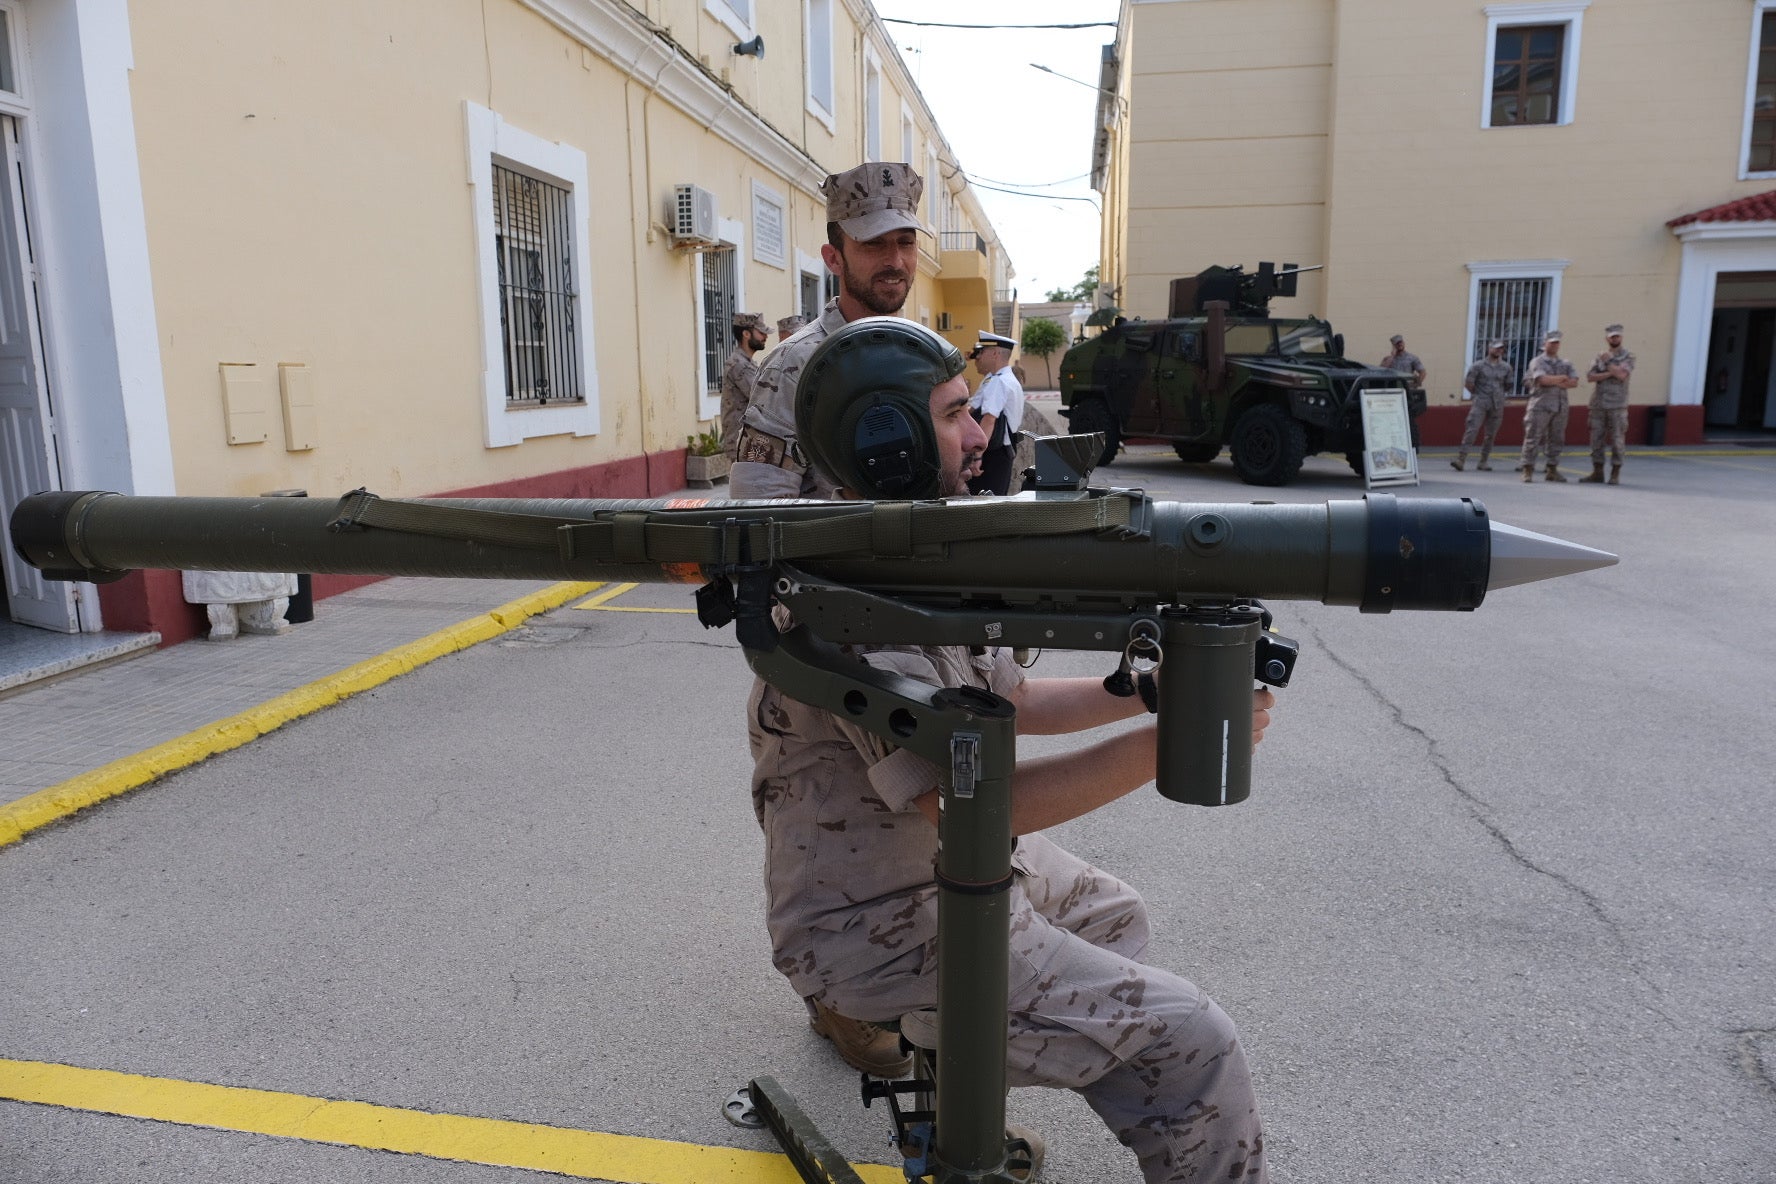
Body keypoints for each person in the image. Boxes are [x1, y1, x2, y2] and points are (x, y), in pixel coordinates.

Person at [747, 315, 1275, 1183]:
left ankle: (967, 1118)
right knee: (1194, 1041)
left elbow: (1013, 700)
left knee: (1114, 914)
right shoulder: (848, 609)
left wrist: (1142, 692)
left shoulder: (912, 547)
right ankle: (998, 1131)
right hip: (872, 925)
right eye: (958, 412)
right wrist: (1160, 743)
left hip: (930, 872)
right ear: (889, 441)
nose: (986, 427)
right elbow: (973, 804)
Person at [731, 161, 927, 500]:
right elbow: (759, 517)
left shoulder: (926, 355)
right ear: (833, 259)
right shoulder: (793, 367)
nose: (895, 260)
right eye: (874, 243)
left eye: (906, 242)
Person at [966, 330, 1025, 495]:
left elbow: (989, 419)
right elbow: (972, 411)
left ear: (995, 353)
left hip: (993, 452)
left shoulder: (999, 382)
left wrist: (977, 456)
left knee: (986, 502)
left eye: (983, 351)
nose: (979, 355)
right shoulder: (1000, 379)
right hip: (1000, 450)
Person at [1522, 330, 1580, 482]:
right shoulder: (1538, 361)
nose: (1555, 345)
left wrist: (1554, 380)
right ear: (1544, 343)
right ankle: (1528, 469)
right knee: (1533, 438)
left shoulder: (1565, 363)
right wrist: (1561, 378)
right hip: (1540, 406)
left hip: (1560, 406)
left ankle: (1552, 469)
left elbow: (1574, 382)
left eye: (1557, 342)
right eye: (1552, 342)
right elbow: (1542, 380)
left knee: (1556, 439)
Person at [1583, 324, 1634, 484]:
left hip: (1617, 406)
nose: (1615, 339)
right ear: (1607, 338)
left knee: (1617, 440)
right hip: (1598, 404)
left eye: (1617, 336)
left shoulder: (1628, 356)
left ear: (1622, 337)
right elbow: (1590, 377)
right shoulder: (1600, 356)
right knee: (1596, 440)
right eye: (1612, 336)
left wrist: (1609, 363)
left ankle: (1615, 473)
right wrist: (1610, 372)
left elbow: (1621, 375)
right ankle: (1597, 472)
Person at [1453, 339, 1514, 471]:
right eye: (1496, 348)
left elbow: (1508, 385)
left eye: (1501, 348)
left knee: (1491, 434)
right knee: (1472, 429)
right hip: (1480, 402)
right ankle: (1461, 459)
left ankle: (1483, 461)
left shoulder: (1506, 367)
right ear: (1489, 349)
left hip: (1497, 404)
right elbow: (1469, 383)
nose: (1499, 350)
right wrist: (1478, 395)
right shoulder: (1478, 366)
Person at [720, 312, 769, 459]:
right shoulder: (739, 365)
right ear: (746, 334)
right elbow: (763, 397)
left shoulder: (746, 362)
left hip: (747, 439)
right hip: (741, 441)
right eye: (761, 333)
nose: (765, 337)